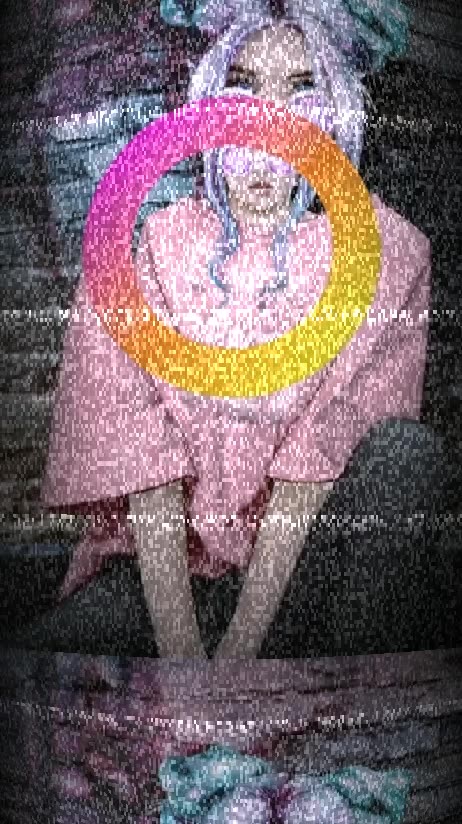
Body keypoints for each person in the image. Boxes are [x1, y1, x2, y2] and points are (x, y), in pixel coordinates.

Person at [6, 0, 459, 660]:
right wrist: (185, 656)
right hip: (161, 584)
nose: (267, 120)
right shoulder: (150, 245)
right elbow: (140, 455)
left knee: (406, 457)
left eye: (301, 89)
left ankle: (330, 707)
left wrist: (242, 650)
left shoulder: (385, 253)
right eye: (244, 85)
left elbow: (320, 453)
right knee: (38, 669)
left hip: (302, 585)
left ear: (336, 109)